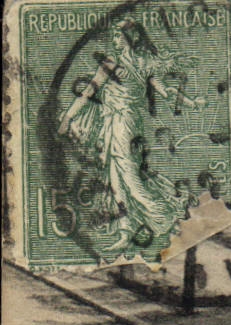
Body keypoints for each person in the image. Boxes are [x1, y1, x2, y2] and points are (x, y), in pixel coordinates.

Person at [59, 19, 199, 256]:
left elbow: (164, 91)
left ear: (130, 37)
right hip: (113, 123)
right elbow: (89, 92)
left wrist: (190, 101)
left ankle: (163, 217)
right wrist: (68, 118)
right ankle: (125, 230)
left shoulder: (132, 65)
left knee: (129, 177)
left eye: (117, 35)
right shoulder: (119, 64)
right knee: (114, 177)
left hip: (126, 124)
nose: (114, 40)